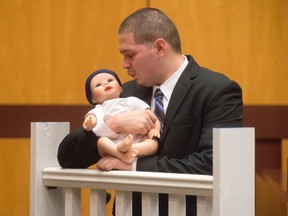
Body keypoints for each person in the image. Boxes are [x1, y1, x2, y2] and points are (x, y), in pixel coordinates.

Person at [57, 8, 243, 216]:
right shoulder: (122, 94)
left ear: (160, 47)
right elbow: (67, 157)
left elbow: (214, 163)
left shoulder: (217, 90)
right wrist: (114, 124)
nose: (124, 65)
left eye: (130, 55)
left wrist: (135, 166)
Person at [82, 69, 160, 163]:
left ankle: (129, 150)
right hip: (114, 143)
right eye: (98, 85)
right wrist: (89, 123)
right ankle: (119, 152)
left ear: (120, 88)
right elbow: (91, 119)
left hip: (138, 139)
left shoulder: (131, 101)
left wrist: (155, 129)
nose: (105, 84)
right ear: (93, 98)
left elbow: (151, 116)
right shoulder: (99, 109)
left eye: (110, 80)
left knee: (152, 144)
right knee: (101, 141)